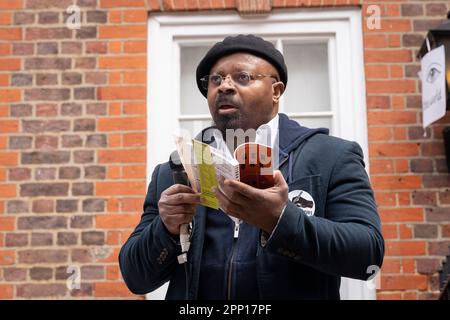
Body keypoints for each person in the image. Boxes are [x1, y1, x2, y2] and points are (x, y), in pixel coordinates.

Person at [119, 34, 384, 300]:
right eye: (216, 79)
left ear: (276, 91)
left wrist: (281, 220)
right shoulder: (175, 171)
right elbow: (135, 277)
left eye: (243, 77)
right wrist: (165, 229)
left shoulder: (331, 156)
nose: (225, 86)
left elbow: (368, 256)